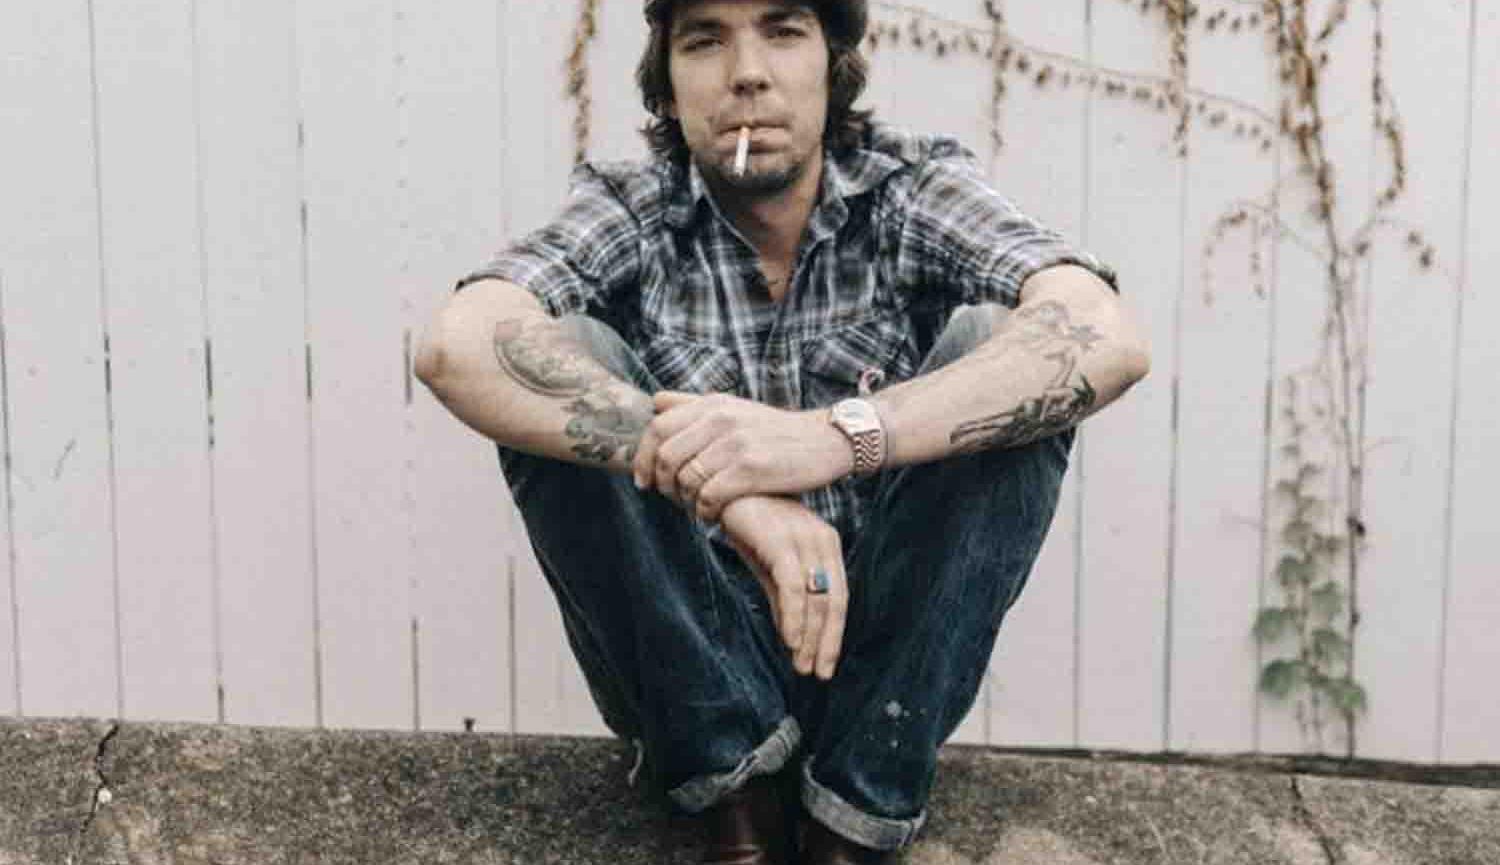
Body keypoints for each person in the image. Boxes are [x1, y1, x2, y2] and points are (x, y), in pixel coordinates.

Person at [415, 0, 1149, 861]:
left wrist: (840, 436)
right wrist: (740, 502)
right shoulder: (632, 204)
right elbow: (456, 343)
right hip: (694, 659)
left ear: (832, 62)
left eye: (783, 29)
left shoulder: (905, 191)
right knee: (559, 356)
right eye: (705, 40)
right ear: (668, 80)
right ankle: (733, 788)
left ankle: (859, 806)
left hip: (883, 657)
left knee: (1008, 349)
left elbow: (1108, 334)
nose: (747, 72)